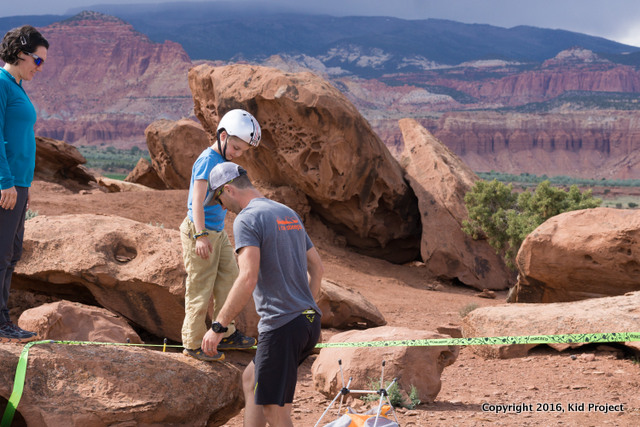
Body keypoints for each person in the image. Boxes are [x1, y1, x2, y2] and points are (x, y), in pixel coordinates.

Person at [201, 162, 323, 427]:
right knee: (251, 380)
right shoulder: (286, 212)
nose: (221, 206)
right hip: (308, 322)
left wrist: (219, 326)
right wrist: (306, 308)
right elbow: (317, 267)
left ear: (229, 189)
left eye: (219, 198)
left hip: (281, 325)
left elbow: (247, 278)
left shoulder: (247, 219)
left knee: (274, 412)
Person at [180, 109, 261, 362]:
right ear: (223, 136)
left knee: (230, 277)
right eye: (235, 147)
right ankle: (192, 343)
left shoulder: (226, 160)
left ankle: (225, 332)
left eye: (242, 151)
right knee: (200, 287)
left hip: (217, 232)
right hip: (200, 230)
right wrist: (201, 235)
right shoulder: (207, 160)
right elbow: (196, 199)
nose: (237, 154)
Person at [0, 25, 49, 343]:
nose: (39, 67)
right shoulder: (2, 84)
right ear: (20, 53)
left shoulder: (17, 85)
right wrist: (5, 182)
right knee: (1, 253)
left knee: (12, 253)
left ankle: (3, 319)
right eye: (38, 60)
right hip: (6, 183)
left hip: (20, 185)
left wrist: (23, 187)